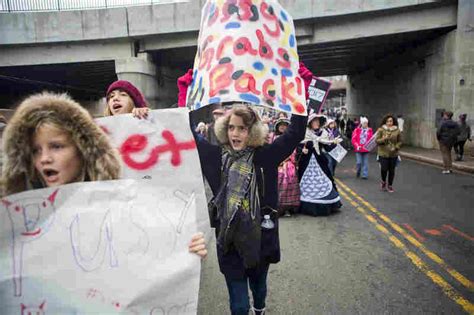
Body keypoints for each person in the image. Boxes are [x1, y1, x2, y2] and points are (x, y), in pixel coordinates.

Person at [1, 92, 207, 258]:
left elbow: (145, 253)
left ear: (82, 150)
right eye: (35, 150)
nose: (44, 158)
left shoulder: (114, 205)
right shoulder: (15, 217)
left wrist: (185, 249)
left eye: (56, 146)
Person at [190, 105, 306, 315]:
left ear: (252, 132)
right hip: (229, 243)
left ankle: (260, 308)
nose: (235, 133)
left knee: (259, 289)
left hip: (260, 241)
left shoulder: (266, 156)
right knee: (239, 306)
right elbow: (189, 135)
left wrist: (300, 98)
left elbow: (295, 133)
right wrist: (183, 99)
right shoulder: (214, 157)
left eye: (242, 129)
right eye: (231, 127)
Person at [298, 114, 342, 216]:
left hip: (319, 161)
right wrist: (301, 149)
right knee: (304, 181)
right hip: (306, 162)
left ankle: (327, 205)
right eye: (314, 121)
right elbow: (297, 145)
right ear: (310, 123)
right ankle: (305, 206)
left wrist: (334, 143)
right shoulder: (305, 133)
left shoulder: (324, 133)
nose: (316, 123)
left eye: (318, 121)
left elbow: (327, 148)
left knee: (326, 179)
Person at [272, 119, 300, 217]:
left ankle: (288, 208)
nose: (283, 127)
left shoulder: (290, 139)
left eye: (285, 125)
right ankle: (276, 207)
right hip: (276, 163)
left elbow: (293, 152)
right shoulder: (273, 137)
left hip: (288, 164)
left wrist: (284, 160)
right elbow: (271, 151)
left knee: (290, 180)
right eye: (281, 125)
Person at [375, 114, 402, 192]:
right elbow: (377, 141)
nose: (389, 123)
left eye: (391, 121)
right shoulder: (381, 130)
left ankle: (390, 185)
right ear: (385, 122)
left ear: (393, 122)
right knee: (384, 169)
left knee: (392, 170)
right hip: (383, 153)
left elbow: (400, 141)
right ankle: (383, 181)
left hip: (393, 154)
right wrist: (384, 138)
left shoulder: (397, 130)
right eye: (387, 121)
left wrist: (396, 147)